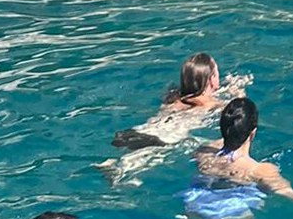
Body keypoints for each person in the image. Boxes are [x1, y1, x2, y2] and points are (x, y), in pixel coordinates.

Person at [100, 53, 251, 186]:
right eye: (217, 73)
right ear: (211, 80)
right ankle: (120, 169)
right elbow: (237, 110)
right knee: (143, 160)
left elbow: (198, 94)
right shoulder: (211, 104)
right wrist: (238, 91)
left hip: (142, 129)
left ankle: (112, 163)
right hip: (163, 139)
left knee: (135, 154)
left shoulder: (174, 97)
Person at [185, 97, 293, 219]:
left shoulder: (203, 153)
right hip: (232, 214)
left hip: (195, 205)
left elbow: (223, 143)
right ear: (253, 133)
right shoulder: (260, 170)